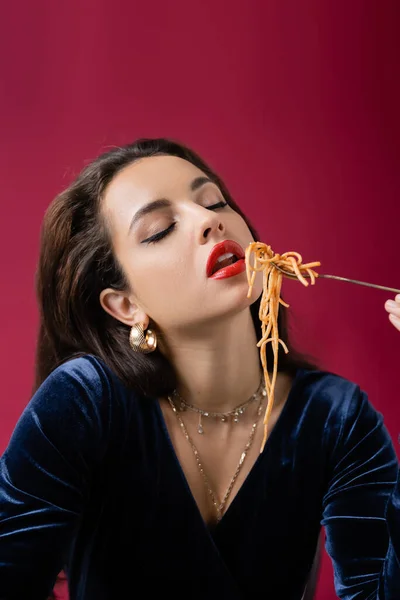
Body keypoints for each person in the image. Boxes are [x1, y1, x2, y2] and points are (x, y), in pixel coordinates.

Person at [0, 138, 399, 600]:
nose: (210, 220)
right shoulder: (83, 402)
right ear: (125, 305)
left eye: (213, 201)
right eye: (159, 229)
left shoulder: (336, 416)